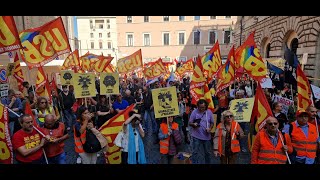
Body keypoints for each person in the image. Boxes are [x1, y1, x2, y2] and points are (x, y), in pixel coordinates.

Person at [188, 99, 215, 164]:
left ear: (206, 106)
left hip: (206, 137)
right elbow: (190, 122)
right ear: (197, 106)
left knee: (207, 153)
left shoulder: (209, 112)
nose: (201, 109)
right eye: (200, 107)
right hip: (196, 136)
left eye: (203, 107)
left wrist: (210, 128)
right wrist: (193, 124)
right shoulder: (195, 112)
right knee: (195, 152)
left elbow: (212, 123)